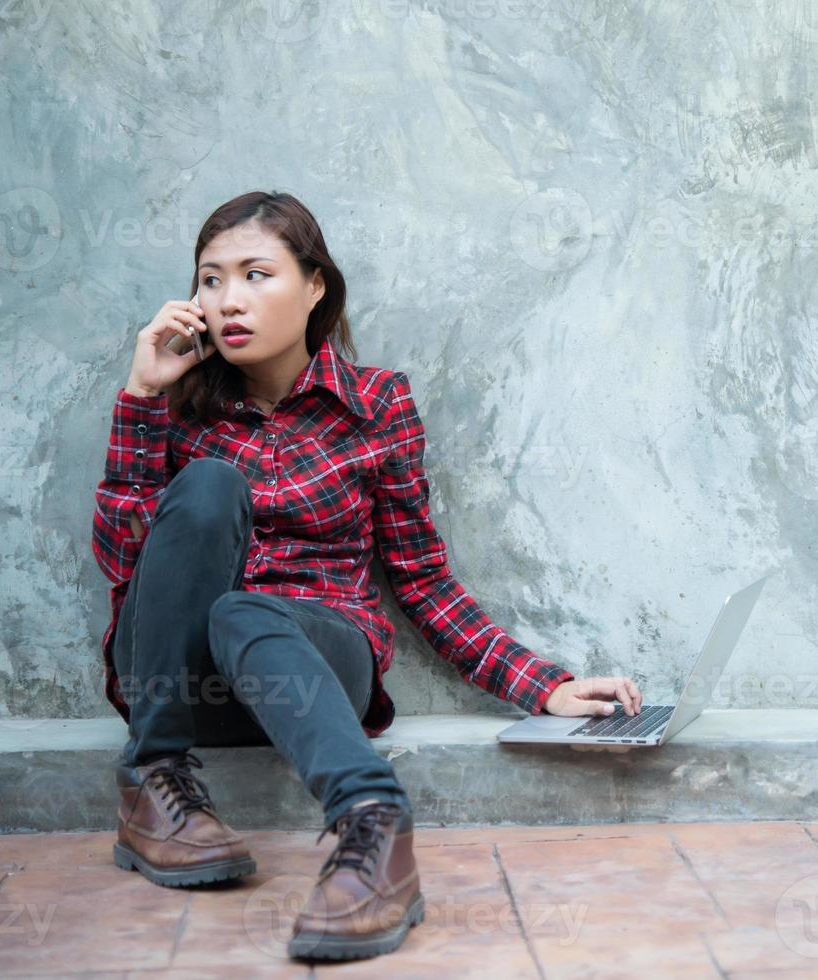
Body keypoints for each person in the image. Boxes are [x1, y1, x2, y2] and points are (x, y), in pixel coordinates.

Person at [90, 190, 644, 961]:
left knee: (246, 614)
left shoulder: (377, 404)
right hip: (179, 687)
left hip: (313, 669)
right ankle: (153, 782)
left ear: (315, 285)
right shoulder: (178, 407)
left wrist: (540, 685)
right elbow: (127, 570)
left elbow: (420, 579)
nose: (229, 300)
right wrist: (143, 396)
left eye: (256, 274)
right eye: (210, 280)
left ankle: (374, 826)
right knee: (213, 493)